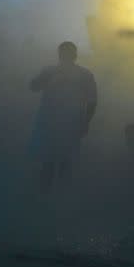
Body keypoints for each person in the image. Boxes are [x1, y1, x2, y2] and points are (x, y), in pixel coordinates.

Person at [30, 41, 97, 193]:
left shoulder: (84, 75)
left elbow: (92, 101)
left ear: (74, 55)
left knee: (65, 162)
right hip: (50, 123)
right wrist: (46, 79)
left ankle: (60, 200)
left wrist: (86, 122)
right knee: (49, 162)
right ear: (59, 55)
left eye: (68, 53)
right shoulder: (50, 71)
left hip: (71, 124)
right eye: (63, 53)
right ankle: (46, 199)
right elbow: (33, 87)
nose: (65, 56)